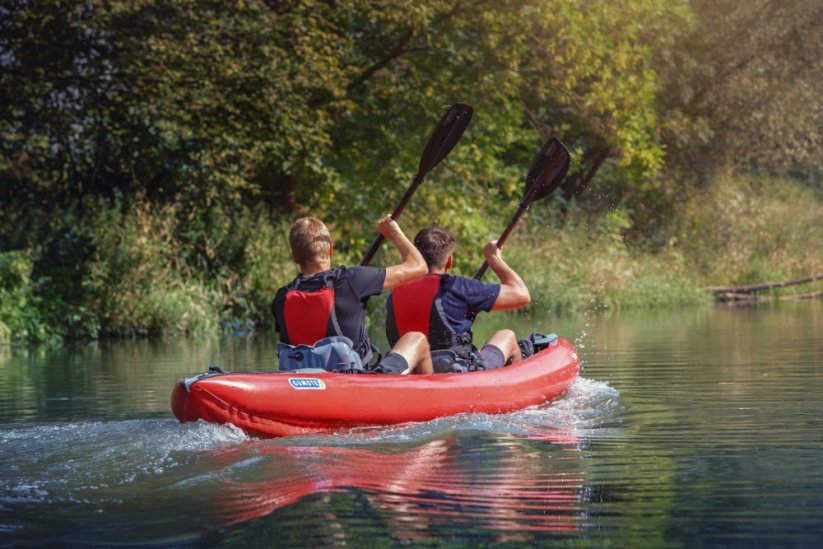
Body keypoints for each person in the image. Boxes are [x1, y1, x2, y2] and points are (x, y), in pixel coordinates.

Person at [273, 215, 433, 375]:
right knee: (416, 339)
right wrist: (393, 232)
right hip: (355, 381)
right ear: (330, 249)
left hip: (303, 382)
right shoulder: (352, 279)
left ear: (295, 257)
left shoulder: (282, 297)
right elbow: (419, 267)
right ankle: (427, 397)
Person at [386, 226, 530, 371]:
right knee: (506, 336)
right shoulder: (457, 287)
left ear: (416, 256)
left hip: (412, 370)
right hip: (454, 374)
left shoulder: (395, 292)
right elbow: (521, 294)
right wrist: (493, 258)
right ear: (449, 262)